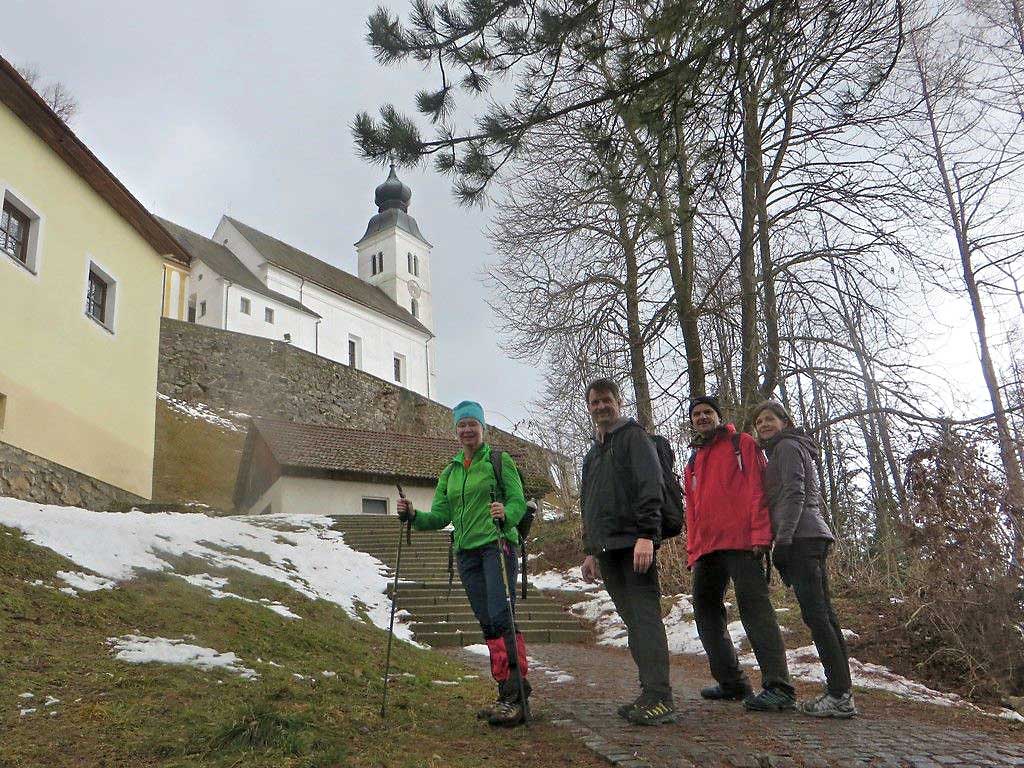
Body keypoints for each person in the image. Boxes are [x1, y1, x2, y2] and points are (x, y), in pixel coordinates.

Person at [396, 400, 530, 726]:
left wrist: (506, 514)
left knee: (501, 616)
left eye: (473, 423)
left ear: (482, 428)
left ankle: (518, 697)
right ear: (455, 430)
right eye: (461, 424)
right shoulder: (451, 471)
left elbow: (518, 503)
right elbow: (441, 515)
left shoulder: (500, 461)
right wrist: (413, 515)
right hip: (466, 553)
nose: (467, 429)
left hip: (497, 547)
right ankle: (505, 693)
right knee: (487, 622)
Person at [685, 395, 796, 711]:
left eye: (708, 412)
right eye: (697, 414)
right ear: (692, 421)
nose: (702, 417)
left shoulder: (742, 444)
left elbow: (758, 489)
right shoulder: (692, 461)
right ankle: (732, 682)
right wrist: (693, 550)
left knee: (754, 609)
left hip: (743, 543)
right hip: (707, 549)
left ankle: (780, 687)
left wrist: (761, 534)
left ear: (719, 417)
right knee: (705, 612)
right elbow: (692, 510)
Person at [580, 378, 676, 726]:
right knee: (633, 622)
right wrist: (590, 551)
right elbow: (589, 505)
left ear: (618, 402)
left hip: (636, 546)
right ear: (589, 408)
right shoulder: (593, 454)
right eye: (595, 402)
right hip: (608, 550)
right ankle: (649, 692)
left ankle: (661, 697)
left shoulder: (635, 438)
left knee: (645, 619)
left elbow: (652, 486)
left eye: (606, 400)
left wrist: (647, 535)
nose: (601, 407)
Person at [752, 400, 857, 718]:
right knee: (824, 617)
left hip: (802, 538)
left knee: (818, 617)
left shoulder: (785, 447)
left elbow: (795, 492)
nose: (764, 425)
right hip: (811, 535)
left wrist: (782, 540)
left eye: (770, 419)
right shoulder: (789, 447)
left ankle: (839, 694)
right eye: (759, 422)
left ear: (784, 421)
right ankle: (841, 692)